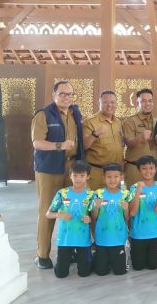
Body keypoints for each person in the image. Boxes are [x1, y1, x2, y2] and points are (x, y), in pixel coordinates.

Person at [32, 80, 84, 269]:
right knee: (48, 211)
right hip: (49, 169)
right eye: (62, 94)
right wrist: (60, 145)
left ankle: (67, 250)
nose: (66, 97)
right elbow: (37, 142)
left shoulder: (75, 113)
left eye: (70, 94)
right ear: (54, 95)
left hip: (71, 169)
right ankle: (42, 254)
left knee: (71, 209)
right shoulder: (43, 115)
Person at [45, 160, 94, 278]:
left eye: (82, 176)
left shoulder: (92, 195)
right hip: (65, 239)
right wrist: (59, 215)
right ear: (70, 175)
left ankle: (83, 257)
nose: (78, 179)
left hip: (83, 240)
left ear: (88, 176)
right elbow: (48, 214)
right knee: (61, 274)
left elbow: (94, 215)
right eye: (75, 175)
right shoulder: (62, 193)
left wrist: (89, 219)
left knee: (84, 273)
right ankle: (69, 256)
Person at [91, 163, 130, 276]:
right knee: (101, 272)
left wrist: (126, 209)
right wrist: (96, 207)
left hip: (119, 239)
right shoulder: (98, 194)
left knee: (120, 272)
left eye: (116, 176)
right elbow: (94, 217)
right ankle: (97, 256)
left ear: (121, 177)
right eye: (109, 177)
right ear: (103, 178)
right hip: (102, 239)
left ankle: (115, 258)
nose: (112, 180)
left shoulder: (125, 194)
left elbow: (127, 218)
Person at [128, 155, 157, 271]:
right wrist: (139, 190)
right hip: (138, 233)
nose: (148, 171)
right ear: (139, 170)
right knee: (138, 267)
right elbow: (133, 213)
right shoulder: (134, 187)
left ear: (155, 169)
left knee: (153, 266)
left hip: (156, 233)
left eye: (151, 168)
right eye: (144, 168)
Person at [83, 90, 124, 190]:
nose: (109, 105)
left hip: (115, 173)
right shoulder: (90, 122)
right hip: (97, 172)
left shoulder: (117, 122)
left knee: (113, 203)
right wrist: (95, 134)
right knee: (98, 203)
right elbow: (84, 146)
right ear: (99, 103)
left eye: (112, 102)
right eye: (105, 102)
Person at [122, 89, 157, 188]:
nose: (147, 104)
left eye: (150, 101)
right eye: (143, 101)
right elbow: (128, 143)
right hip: (135, 169)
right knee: (134, 200)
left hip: (153, 171)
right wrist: (141, 138)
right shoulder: (130, 121)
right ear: (136, 103)